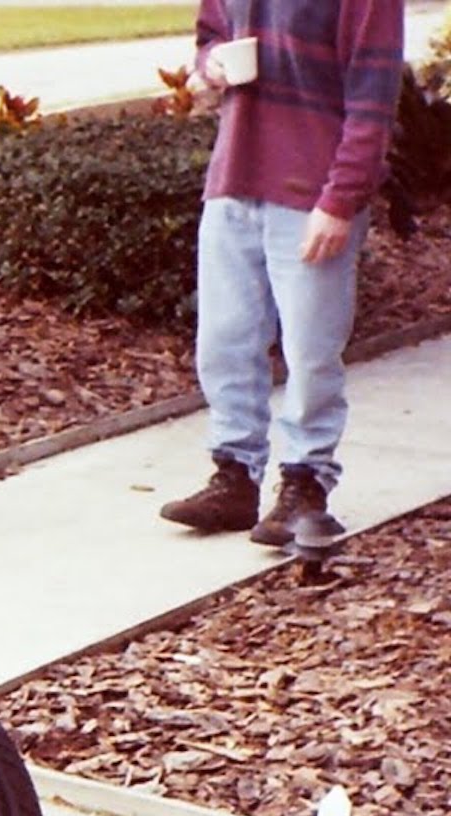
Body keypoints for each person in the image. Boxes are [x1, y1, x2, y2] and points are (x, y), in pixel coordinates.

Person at [158, 0, 405, 544]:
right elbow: (210, 35)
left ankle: (305, 483)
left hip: (312, 190)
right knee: (224, 341)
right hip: (234, 179)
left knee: (311, 352)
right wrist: (212, 63)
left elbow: (374, 97)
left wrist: (340, 200)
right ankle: (235, 476)